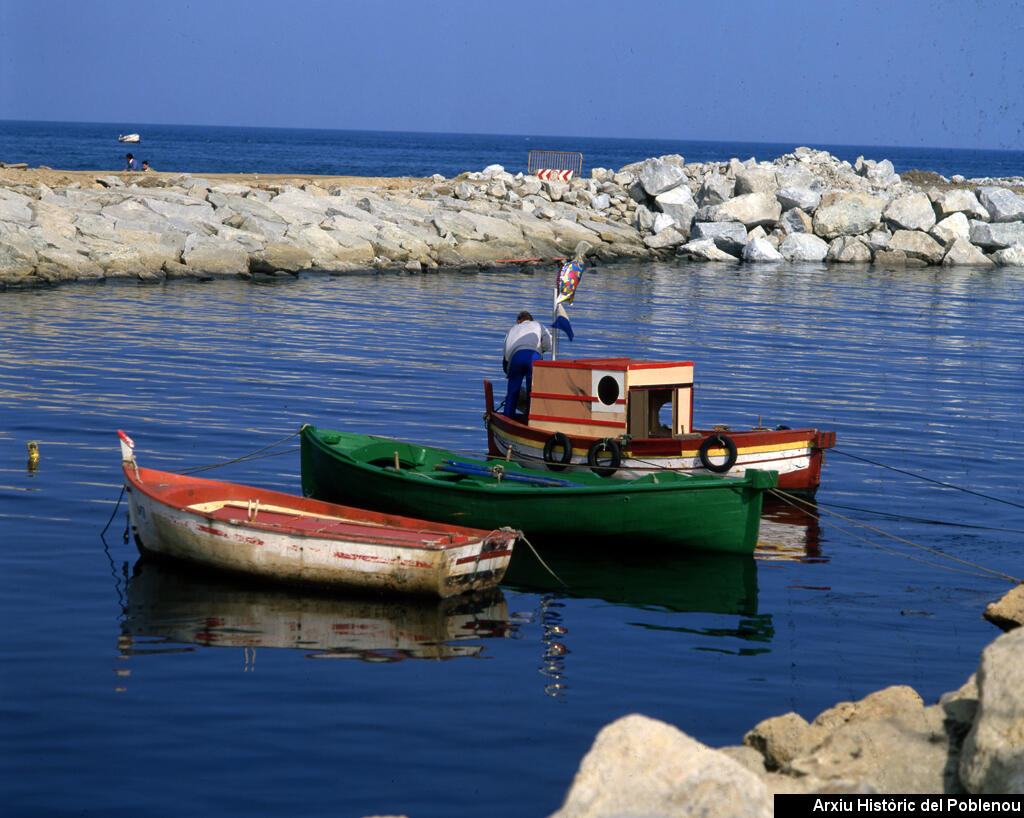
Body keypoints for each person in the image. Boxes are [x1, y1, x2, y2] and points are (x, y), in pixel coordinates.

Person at [502, 310, 552, 420]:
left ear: (519, 321)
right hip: (533, 357)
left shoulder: (513, 328)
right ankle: (530, 420)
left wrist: (507, 368)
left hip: (516, 357)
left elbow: (506, 350)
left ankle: (507, 419)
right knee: (532, 392)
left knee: (512, 392)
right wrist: (540, 350)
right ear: (531, 319)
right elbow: (548, 343)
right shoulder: (539, 325)